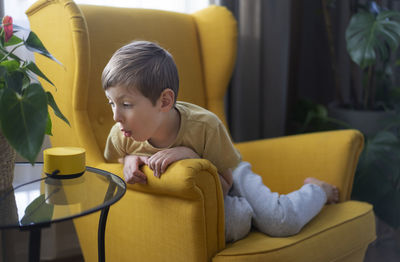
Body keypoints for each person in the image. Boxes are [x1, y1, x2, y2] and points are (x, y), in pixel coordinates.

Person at [102, 40, 339, 242]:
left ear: (164, 102)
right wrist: (129, 160)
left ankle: (317, 190)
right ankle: (245, 214)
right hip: (204, 195)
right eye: (112, 103)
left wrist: (193, 157)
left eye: (126, 105)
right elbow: (109, 164)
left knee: (279, 222)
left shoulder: (205, 126)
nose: (115, 116)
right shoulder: (122, 134)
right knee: (236, 221)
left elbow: (225, 184)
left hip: (227, 171)